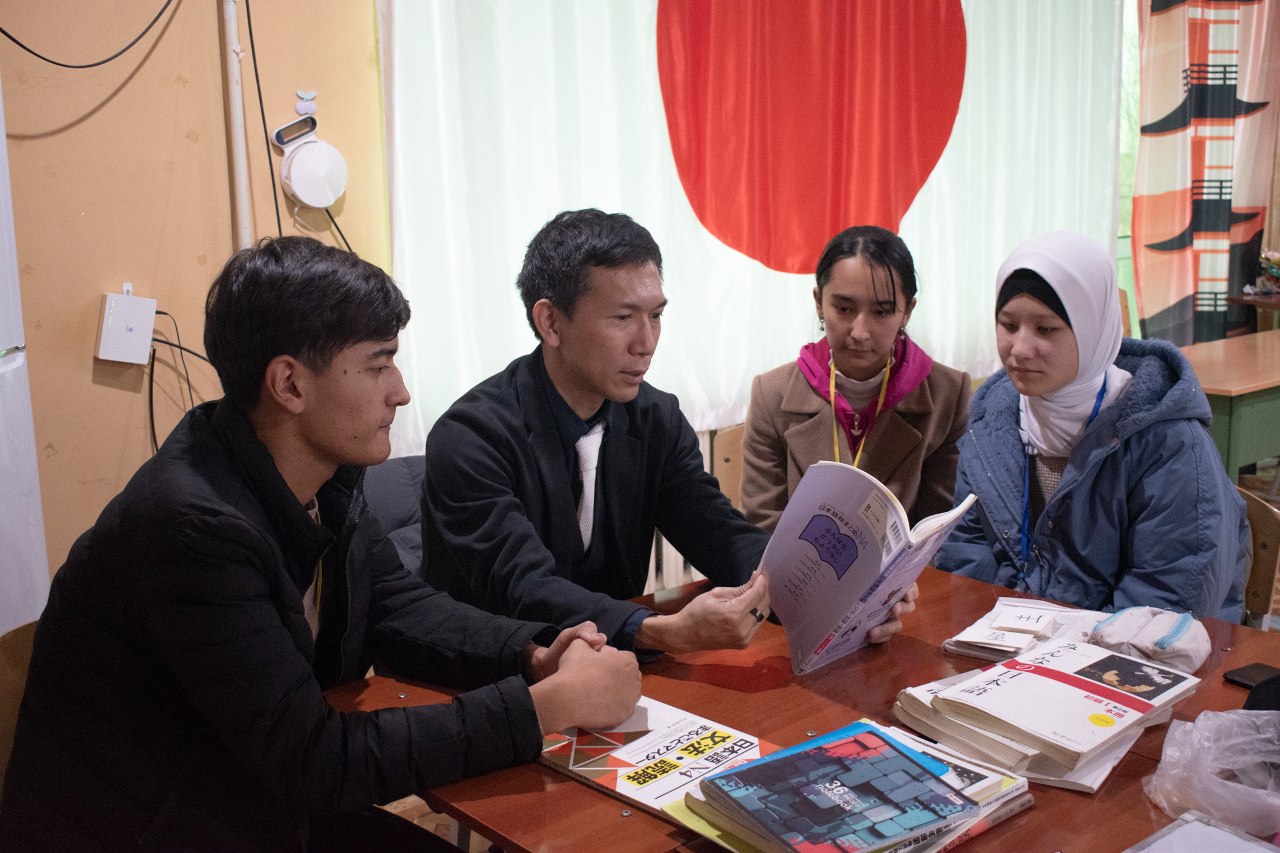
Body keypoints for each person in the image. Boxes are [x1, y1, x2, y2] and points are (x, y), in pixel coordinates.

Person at [0, 237, 641, 851]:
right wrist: (538, 710)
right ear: (289, 385)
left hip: (249, 800)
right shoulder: (192, 528)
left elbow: (401, 607)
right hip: (156, 826)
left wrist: (533, 656)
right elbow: (313, 758)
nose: (400, 391)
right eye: (378, 364)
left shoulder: (321, 480)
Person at [421, 209, 917, 655]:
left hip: (608, 665)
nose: (647, 343)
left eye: (656, 315)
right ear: (551, 322)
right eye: (623, 318)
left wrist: (846, 595)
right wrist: (659, 630)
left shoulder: (655, 417)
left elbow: (718, 534)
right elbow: (523, 588)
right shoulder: (471, 437)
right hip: (493, 673)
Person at [934, 230, 1247, 620]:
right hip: (1010, 642)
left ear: (1092, 328)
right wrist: (992, 632)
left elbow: (1168, 599)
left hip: (1129, 648)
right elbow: (965, 552)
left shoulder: (1167, 441)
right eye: (1008, 325)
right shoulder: (990, 423)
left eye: (1045, 329)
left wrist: (1062, 644)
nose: (1020, 349)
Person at [741, 225, 971, 531]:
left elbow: (939, 527)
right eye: (844, 308)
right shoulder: (772, 395)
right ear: (818, 302)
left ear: (907, 311)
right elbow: (763, 526)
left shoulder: (948, 395)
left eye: (881, 311)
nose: (860, 332)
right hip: (799, 563)